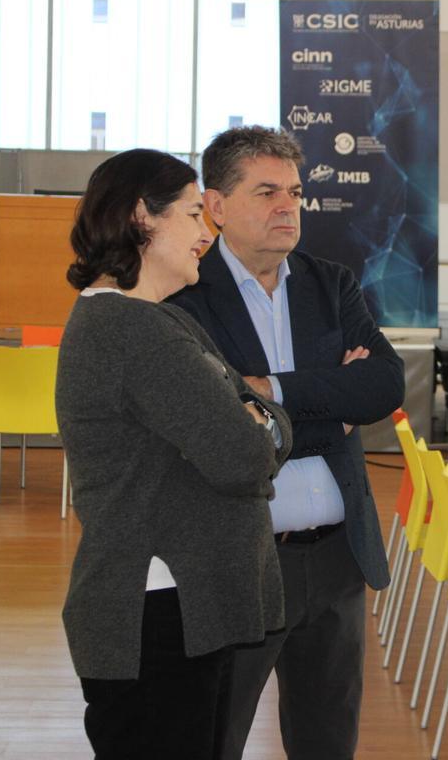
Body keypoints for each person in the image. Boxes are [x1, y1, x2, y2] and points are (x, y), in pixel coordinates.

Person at [169, 125, 403, 759]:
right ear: (216, 206)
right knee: (214, 736)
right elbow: (219, 427)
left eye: (295, 193)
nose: (287, 207)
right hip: (238, 561)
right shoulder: (185, 297)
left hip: (335, 562)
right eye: (267, 192)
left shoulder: (331, 285)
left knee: (328, 741)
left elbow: (383, 385)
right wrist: (334, 405)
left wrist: (268, 389)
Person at [56, 148, 294, 759]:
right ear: (143, 217)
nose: (205, 233)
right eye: (192, 214)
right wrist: (253, 424)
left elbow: (266, 421)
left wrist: (256, 421)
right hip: (159, 615)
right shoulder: (135, 332)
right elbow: (244, 456)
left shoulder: (161, 322)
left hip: (176, 608)